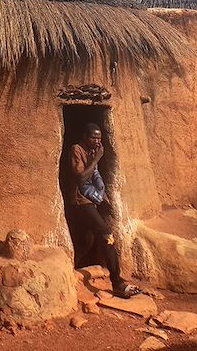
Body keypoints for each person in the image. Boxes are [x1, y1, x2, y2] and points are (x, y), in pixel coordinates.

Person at [64, 122, 139, 298]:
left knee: (87, 240)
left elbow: (95, 178)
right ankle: (118, 282)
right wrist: (97, 159)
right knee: (106, 234)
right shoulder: (77, 150)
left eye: (99, 137)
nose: (97, 141)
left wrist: (103, 200)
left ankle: (73, 270)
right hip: (80, 202)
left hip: (91, 201)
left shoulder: (92, 151)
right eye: (93, 137)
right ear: (85, 137)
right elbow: (81, 177)